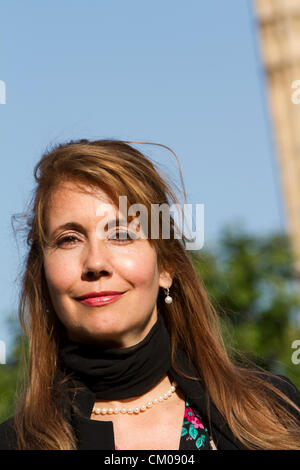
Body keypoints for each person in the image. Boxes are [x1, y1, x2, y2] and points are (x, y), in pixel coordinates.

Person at [0, 138, 299, 450]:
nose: (95, 263)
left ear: (166, 265)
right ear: (43, 275)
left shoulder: (274, 414)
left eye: (121, 234)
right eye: (69, 239)